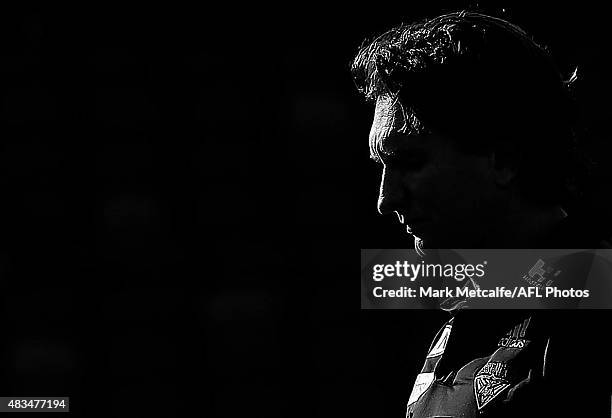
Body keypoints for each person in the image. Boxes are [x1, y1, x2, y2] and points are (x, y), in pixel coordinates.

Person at [353, 11, 612, 417]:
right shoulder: (464, 317)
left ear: (504, 158)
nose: (385, 199)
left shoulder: (594, 318)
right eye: (382, 166)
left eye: (410, 161)